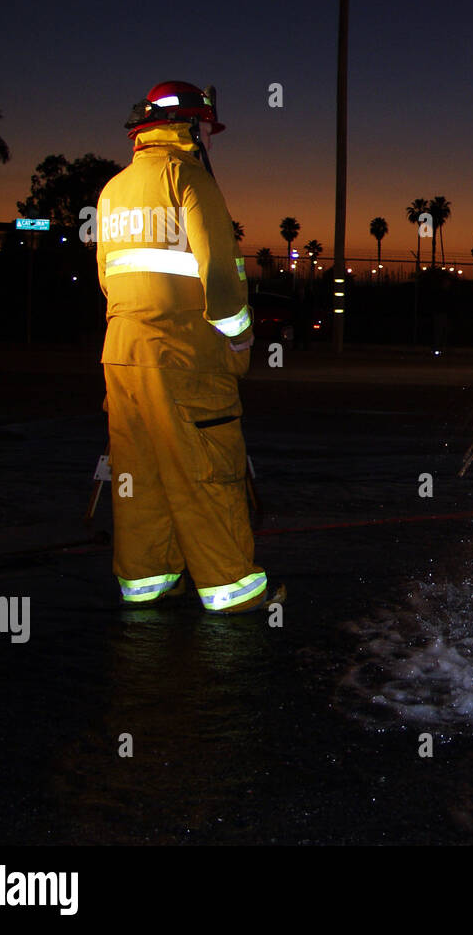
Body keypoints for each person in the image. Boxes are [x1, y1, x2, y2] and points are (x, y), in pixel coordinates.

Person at [95, 80, 280, 614]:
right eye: (208, 129)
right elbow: (219, 272)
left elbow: (108, 278)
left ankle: (148, 581)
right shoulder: (188, 178)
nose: (211, 140)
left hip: (122, 356)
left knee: (142, 472)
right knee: (207, 469)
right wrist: (240, 340)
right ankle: (235, 592)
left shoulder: (113, 191)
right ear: (190, 128)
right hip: (183, 357)